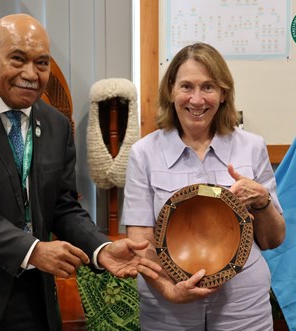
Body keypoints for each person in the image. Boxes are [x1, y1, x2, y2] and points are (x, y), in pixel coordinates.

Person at [0, 14, 160, 331]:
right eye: (18, 59)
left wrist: (100, 248)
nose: (31, 74)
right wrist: (33, 250)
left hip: (29, 294)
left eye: (41, 63)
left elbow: (62, 205)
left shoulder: (56, 125)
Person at [121, 42, 286, 330]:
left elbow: (273, 240)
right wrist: (169, 290)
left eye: (208, 87)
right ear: (171, 90)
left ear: (223, 93)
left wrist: (261, 201)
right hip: (169, 309)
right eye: (186, 86)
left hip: (242, 305)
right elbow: (141, 243)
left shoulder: (251, 147)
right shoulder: (144, 153)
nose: (197, 100)